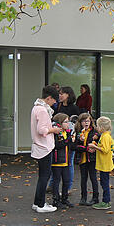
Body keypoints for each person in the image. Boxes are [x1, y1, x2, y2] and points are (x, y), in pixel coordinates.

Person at [31, 85, 62, 213]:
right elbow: (42, 130)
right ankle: (41, 204)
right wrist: (54, 130)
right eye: (54, 100)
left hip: (39, 146)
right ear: (48, 98)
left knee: (42, 176)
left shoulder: (36, 107)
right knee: (45, 176)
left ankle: (37, 202)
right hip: (44, 147)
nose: (54, 103)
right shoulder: (43, 110)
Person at [54, 86, 80, 193]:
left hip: (69, 139)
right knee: (56, 162)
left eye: (62, 94)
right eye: (59, 94)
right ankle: (53, 185)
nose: (60, 96)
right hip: (59, 139)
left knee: (69, 162)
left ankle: (68, 187)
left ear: (68, 95)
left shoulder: (74, 108)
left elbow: (76, 125)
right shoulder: (59, 106)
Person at [87, 116, 114, 210]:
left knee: (104, 183)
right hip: (104, 163)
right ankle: (106, 201)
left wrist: (94, 147)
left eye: (98, 126)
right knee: (104, 182)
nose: (97, 128)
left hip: (105, 164)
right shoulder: (105, 135)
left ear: (102, 127)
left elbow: (105, 150)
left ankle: (106, 201)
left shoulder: (105, 136)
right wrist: (96, 145)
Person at [50, 113, 75, 209]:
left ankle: (65, 198)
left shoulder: (67, 132)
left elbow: (70, 146)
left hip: (66, 161)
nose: (68, 124)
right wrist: (68, 140)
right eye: (66, 122)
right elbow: (58, 145)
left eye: (68, 122)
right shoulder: (56, 133)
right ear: (60, 123)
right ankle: (56, 200)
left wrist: (74, 140)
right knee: (56, 181)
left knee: (66, 180)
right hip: (57, 161)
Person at [74, 112, 99, 206]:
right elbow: (75, 146)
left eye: (88, 121)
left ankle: (95, 198)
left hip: (92, 158)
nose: (86, 123)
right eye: (84, 121)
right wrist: (85, 147)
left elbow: (97, 142)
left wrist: (94, 145)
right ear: (80, 122)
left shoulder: (95, 132)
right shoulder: (78, 132)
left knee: (93, 177)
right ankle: (83, 197)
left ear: (91, 121)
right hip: (82, 158)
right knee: (83, 178)